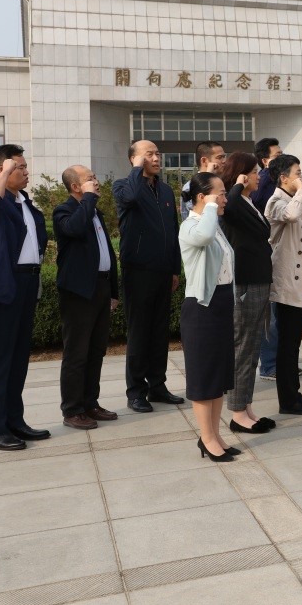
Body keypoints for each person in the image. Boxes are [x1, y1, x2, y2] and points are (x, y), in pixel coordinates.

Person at [0, 144, 49, 451]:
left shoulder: (24, 202)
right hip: (2, 285)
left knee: (18, 358)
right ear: (3, 169)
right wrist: (3, 173)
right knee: (0, 360)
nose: (27, 171)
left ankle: (15, 420)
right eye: (20, 167)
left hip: (28, 283)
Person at [113, 139, 184, 413]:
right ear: (134, 159)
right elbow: (130, 198)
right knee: (139, 333)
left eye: (157, 153)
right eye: (149, 154)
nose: (156, 158)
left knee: (158, 332)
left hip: (163, 272)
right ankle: (135, 392)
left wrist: (174, 269)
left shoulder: (165, 190)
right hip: (138, 272)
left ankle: (157, 385)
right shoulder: (124, 185)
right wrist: (136, 171)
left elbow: (173, 231)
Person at [178, 172, 241, 462]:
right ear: (203, 197)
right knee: (204, 376)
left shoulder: (213, 224)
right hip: (202, 307)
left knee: (218, 375)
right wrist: (212, 207)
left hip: (222, 303)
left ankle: (216, 435)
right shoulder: (190, 226)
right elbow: (202, 237)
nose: (225, 198)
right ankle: (206, 438)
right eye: (220, 193)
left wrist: (213, 209)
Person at [53, 165, 119, 431]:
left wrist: (113, 291)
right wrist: (88, 201)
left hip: (101, 289)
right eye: (89, 179)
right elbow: (76, 229)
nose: (96, 181)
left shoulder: (95, 213)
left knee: (96, 351)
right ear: (75, 187)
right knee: (76, 353)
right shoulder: (64, 211)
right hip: (78, 292)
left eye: (95, 176)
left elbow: (107, 255)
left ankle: (91, 402)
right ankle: (72, 409)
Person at [219, 152, 277, 433]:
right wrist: (238, 185)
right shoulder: (232, 201)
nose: (258, 176)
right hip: (244, 284)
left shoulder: (247, 202)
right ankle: (237, 413)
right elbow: (227, 208)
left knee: (252, 348)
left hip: (258, 280)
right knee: (243, 349)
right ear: (242, 175)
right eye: (254, 172)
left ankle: (246, 406)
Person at [265, 154, 302, 415]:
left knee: (292, 343)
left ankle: (294, 393)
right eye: (296, 173)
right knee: (287, 345)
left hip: (300, 281)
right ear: (283, 178)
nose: (301, 178)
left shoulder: (291, 197)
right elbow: (289, 215)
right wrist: (301, 191)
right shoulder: (276, 201)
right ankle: (288, 401)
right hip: (287, 282)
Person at [252, 137, 283, 380]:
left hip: (280, 251)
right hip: (266, 251)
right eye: (277, 154)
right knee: (269, 317)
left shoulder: (275, 179)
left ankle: (277, 362)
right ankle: (269, 365)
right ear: (265, 160)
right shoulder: (263, 181)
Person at [180, 141, 227, 214]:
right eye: (219, 157)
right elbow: (198, 210)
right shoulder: (190, 186)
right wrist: (207, 176)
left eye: (224, 157)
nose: (224, 161)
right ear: (204, 160)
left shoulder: (219, 183)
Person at [250, 137, 282, 213]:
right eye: (277, 156)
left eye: (282, 154)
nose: (283, 158)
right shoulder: (261, 180)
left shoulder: (278, 177)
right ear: (264, 161)